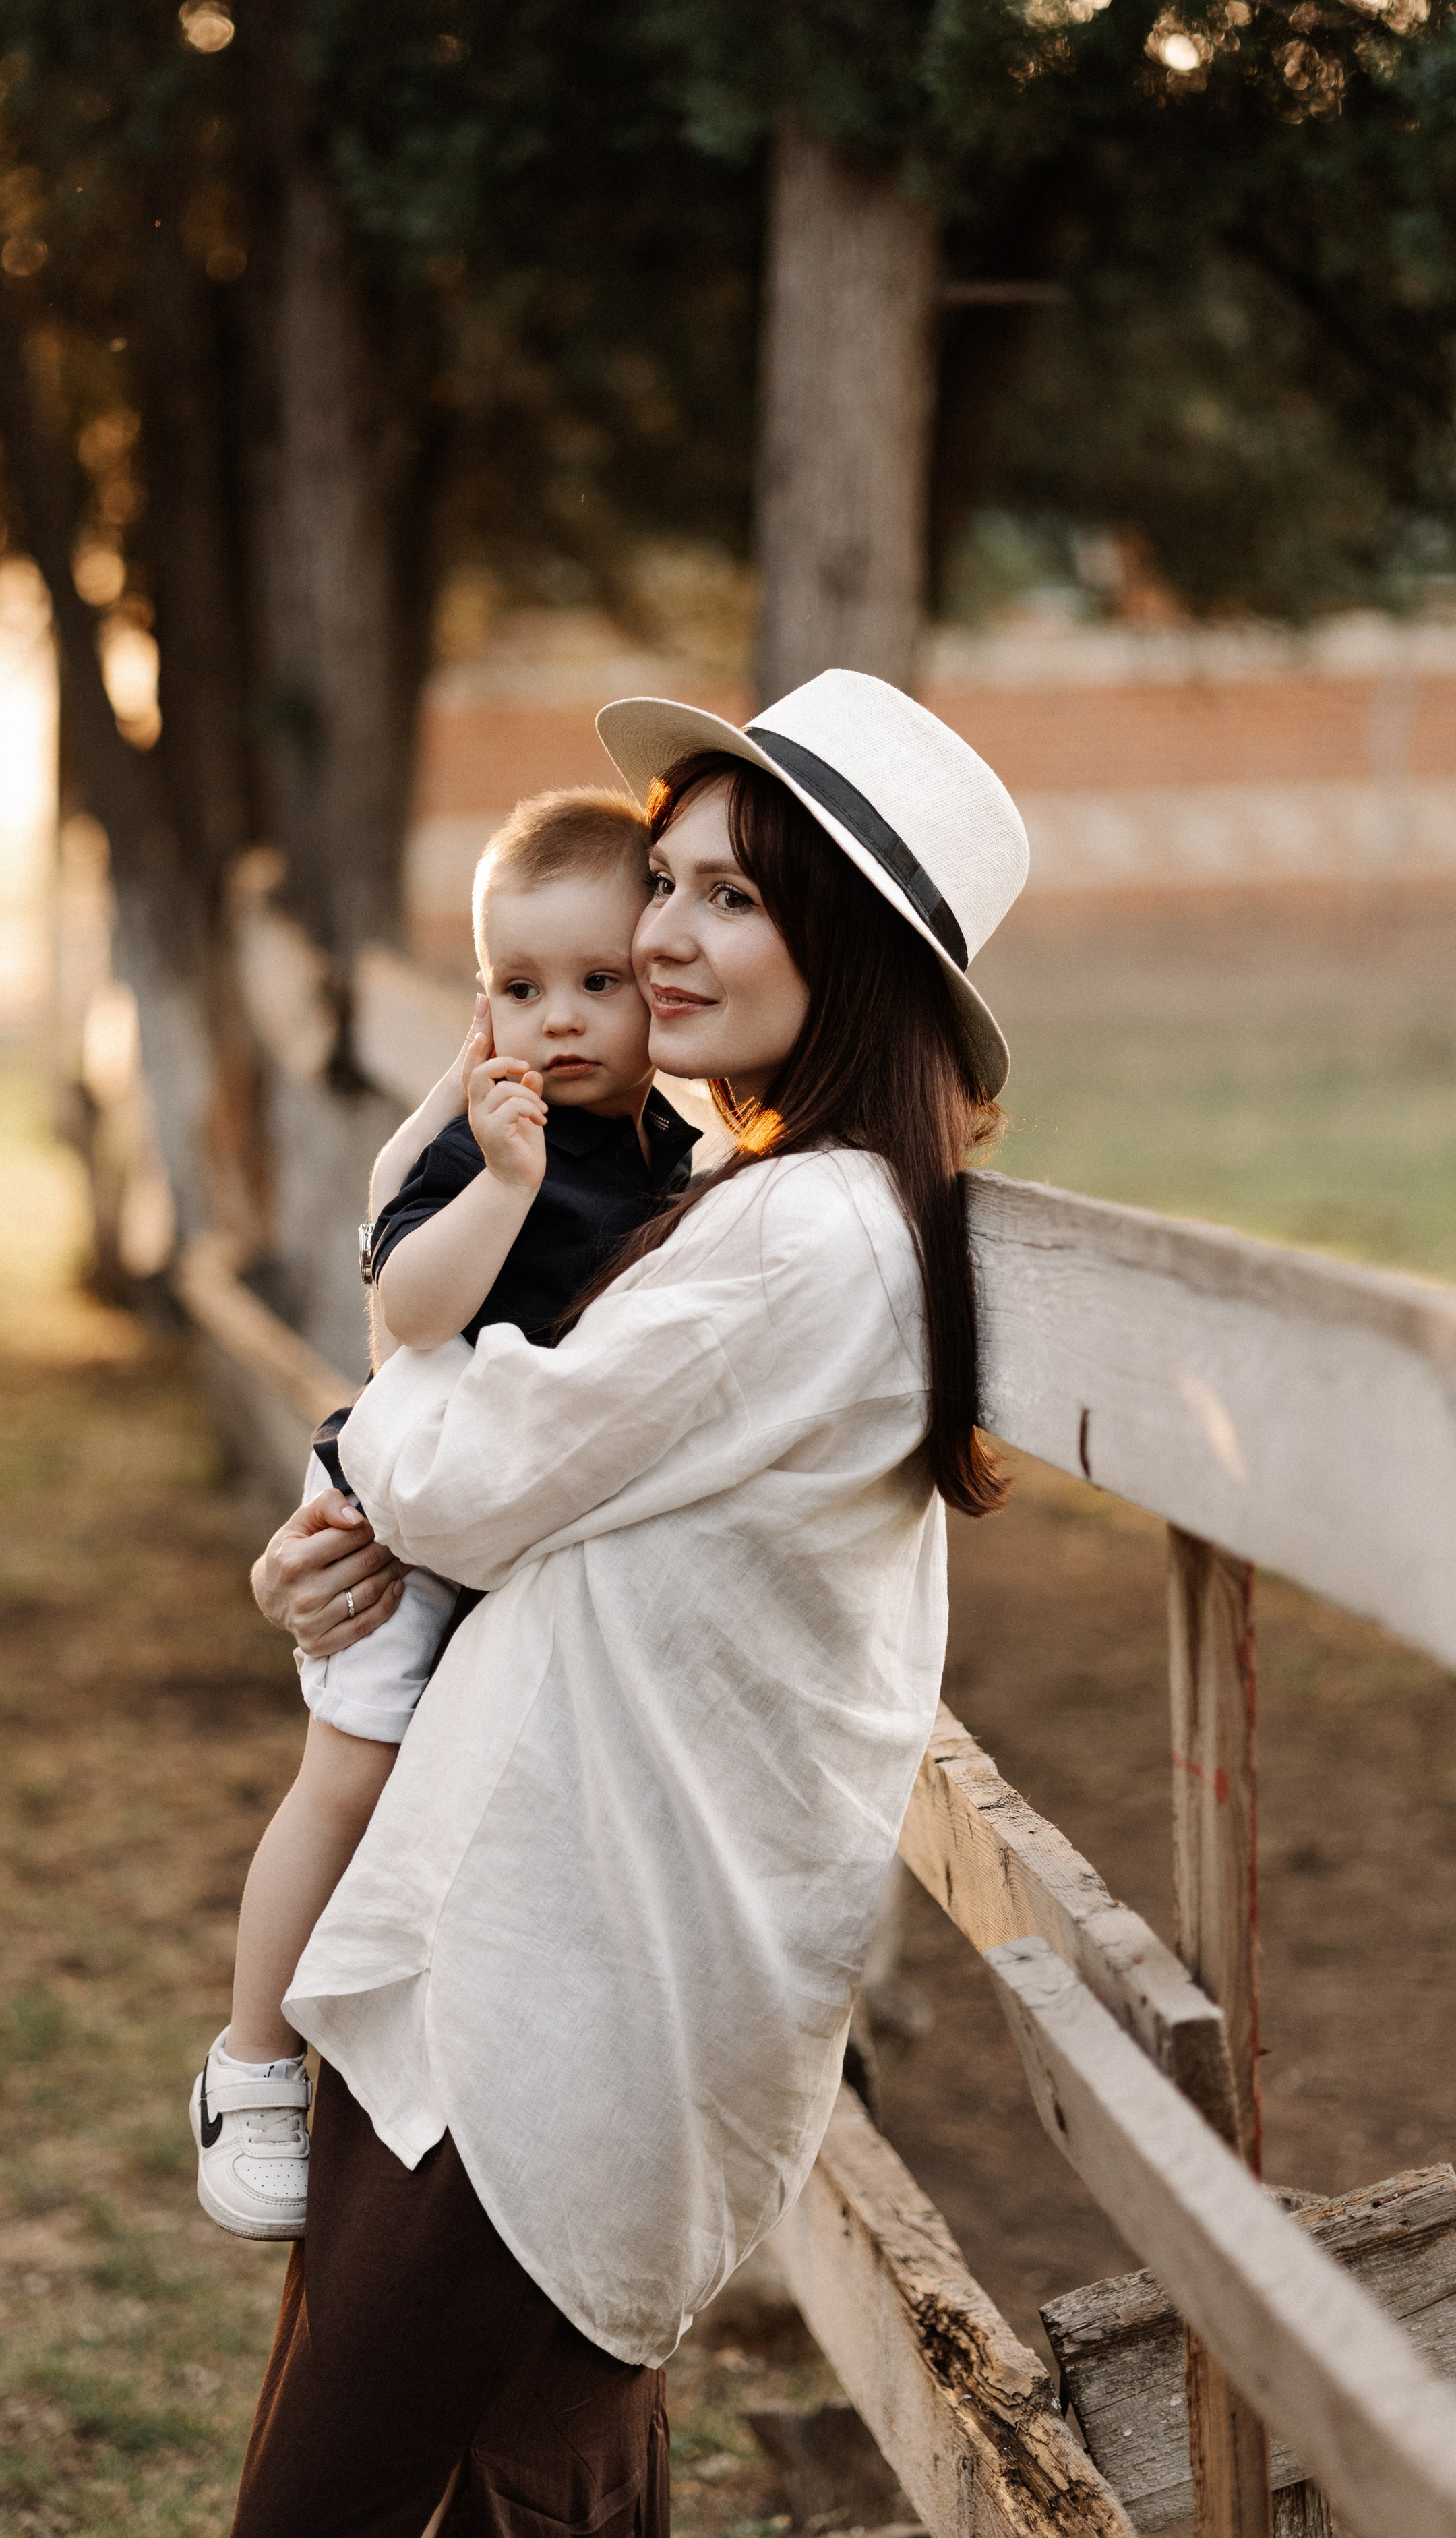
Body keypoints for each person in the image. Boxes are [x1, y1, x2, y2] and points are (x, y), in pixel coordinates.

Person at [240, 668, 1030, 2538]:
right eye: (663, 882)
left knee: (349, 2496)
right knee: (547, 2485)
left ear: (850, 950)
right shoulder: (748, 1195)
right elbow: (510, 1497)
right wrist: (351, 1531)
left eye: (732, 898)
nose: (662, 935)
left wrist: (379, 1395)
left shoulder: (800, 1237)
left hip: (550, 1998)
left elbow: (468, 1469)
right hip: (521, 1954)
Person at [191, 788, 700, 2242]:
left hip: (504, 1526)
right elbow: (403, 1317)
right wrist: (502, 1176)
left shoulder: (677, 1154)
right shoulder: (484, 1142)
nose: (561, 1021)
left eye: (600, 984)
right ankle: (251, 2067)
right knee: (350, 1778)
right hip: (383, 1521)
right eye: (520, 989)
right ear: (480, 1007)